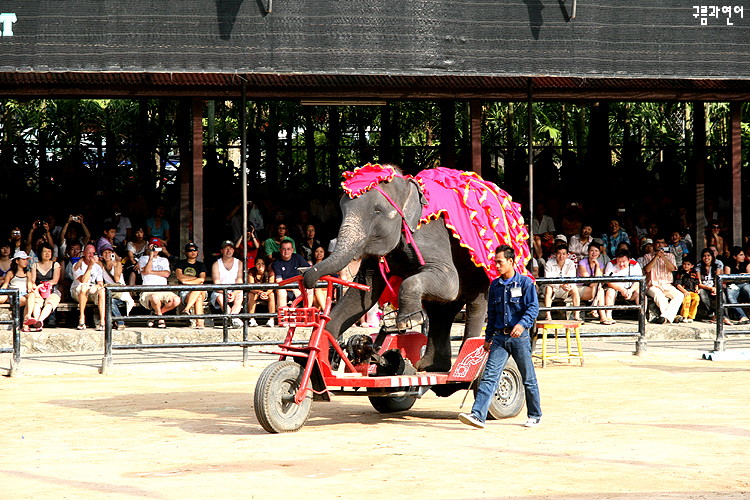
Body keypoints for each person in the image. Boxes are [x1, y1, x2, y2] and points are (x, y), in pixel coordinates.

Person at [458, 244, 541, 429]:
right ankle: (478, 415)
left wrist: (522, 324)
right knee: (489, 376)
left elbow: (533, 308)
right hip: (499, 339)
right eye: (495, 262)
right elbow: (492, 313)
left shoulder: (526, 283)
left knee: (528, 377)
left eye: (500, 262)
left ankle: (535, 414)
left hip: (519, 338)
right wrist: (488, 338)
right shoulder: (495, 285)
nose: (496, 266)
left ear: (511, 261)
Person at [138, 238, 180, 328]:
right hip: (148, 290)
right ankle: (160, 319)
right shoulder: (143, 259)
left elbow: (166, 274)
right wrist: (151, 256)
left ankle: (156, 314)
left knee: (176, 300)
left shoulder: (164, 260)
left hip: (163, 289)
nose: (155, 248)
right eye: (153, 246)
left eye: (157, 247)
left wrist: (151, 272)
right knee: (155, 297)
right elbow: (146, 271)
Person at [641, 237, 684, 324]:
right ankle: (672, 317)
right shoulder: (647, 256)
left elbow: (672, 268)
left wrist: (663, 257)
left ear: (665, 245)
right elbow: (647, 270)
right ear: (653, 245)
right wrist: (656, 257)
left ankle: (665, 317)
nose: (660, 244)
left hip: (667, 285)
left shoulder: (670, 256)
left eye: (662, 242)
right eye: (657, 242)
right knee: (659, 296)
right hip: (652, 285)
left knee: (679, 295)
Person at [70, 244, 106, 331]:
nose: (91, 255)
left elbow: (100, 283)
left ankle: (102, 322)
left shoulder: (97, 267)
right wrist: (90, 266)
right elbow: (83, 281)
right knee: (84, 287)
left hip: (91, 291)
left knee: (102, 291)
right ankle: (82, 318)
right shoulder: (77, 265)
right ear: (84, 253)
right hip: (77, 291)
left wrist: (96, 286)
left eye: (93, 253)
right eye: (89, 253)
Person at [602, 248, 642, 325]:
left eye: (624, 262)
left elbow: (638, 281)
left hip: (630, 288)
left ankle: (642, 316)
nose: (621, 264)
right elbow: (608, 281)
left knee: (640, 291)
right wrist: (621, 289)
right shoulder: (611, 264)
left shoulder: (635, 264)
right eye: (619, 261)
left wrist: (630, 290)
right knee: (610, 291)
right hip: (616, 287)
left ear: (629, 260)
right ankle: (608, 316)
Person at [98, 244, 134, 330]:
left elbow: (117, 279)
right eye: (105, 253)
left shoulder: (118, 264)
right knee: (106, 299)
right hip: (109, 291)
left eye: (109, 252)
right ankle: (114, 322)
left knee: (110, 301)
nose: (107, 255)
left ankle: (120, 322)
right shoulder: (101, 264)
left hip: (119, 292)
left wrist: (114, 267)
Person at [210, 240, 244, 329]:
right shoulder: (216, 264)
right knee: (220, 298)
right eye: (226, 248)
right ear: (221, 251)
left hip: (235, 289)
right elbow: (216, 284)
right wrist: (226, 293)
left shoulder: (239, 263)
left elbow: (240, 281)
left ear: (233, 250)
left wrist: (234, 293)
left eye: (231, 248)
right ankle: (233, 318)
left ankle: (233, 317)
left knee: (239, 296)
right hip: (220, 291)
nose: (228, 251)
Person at [543, 244, 581, 321]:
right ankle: (548, 316)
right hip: (553, 288)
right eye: (559, 253)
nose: (561, 256)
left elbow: (572, 278)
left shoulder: (570, 263)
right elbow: (548, 279)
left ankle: (576, 316)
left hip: (566, 288)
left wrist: (569, 285)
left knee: (575, 289)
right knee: (548, 289)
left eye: (564, 254)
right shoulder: (549, 263)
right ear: (555, 254)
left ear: (567, 255)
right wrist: (560, 285)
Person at [1, 251, 37, 330]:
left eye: (26, 260)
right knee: (26, 300)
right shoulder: (11, 273)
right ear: (17, 261)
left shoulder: (28, 273)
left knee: (31, 295)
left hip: (24, 293)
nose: (26, 261)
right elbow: (5, 285)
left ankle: (28, 316)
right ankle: (25, 323)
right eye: (23, 259)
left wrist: (31, 289)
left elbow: (29, 286)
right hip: (14, 295)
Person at [174, 242, 207, 329]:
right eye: (190, 250)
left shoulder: (201, 265)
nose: (193, 252)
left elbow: (202, 279)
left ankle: (186, 309)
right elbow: (180, 277)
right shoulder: (180, 263)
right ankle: (199, 323)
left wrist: (187, 282)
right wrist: (195, 279)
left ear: (197, 252)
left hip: (198, 289)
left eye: (194, 250)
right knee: (198, 296)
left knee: (199, 287)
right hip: (186, 291)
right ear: (185, 252)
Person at [29, 243, 61, 328]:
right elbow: (33, 280)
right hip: (39, 291)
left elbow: (55, 280)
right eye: (44, 252)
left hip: (52, 290)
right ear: (40, 253)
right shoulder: (35, 265)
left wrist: (43, 285)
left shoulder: (55, 264)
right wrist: (36, 288)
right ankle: (36, 320)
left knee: (50, 303)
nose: (47, 254)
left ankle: (40, 321)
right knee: (36, 303)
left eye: (49, 251)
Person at [577, 241, 607, 323]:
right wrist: (596, 283)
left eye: (596, 251)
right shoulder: (582, 262)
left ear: (599, 253)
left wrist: (597, 266)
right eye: (592, 251)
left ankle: (595, 308)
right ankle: (602, 316)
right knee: (599, 289)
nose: (594, 253)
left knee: (599, 289)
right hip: (581, 287)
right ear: (588, 252)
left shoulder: (600, 264)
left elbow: (598, 279)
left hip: (594, 289)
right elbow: (587, 279)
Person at [722, 246, 750, 324]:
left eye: (743, 254)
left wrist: (742, 275)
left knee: (749, 291)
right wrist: (739, 277)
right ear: (734, 256)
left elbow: (749, 275)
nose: (743, 257)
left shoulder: (746, 263)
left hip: (744, 284)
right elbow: (727, 278)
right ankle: (743, 316)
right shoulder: (728, 264)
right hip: (733, 285)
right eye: (741, 255)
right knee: (731, 297)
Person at [696, 247, 725, 322]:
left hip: (715, 286)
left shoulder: (717, 264)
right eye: (704, 256)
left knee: (722, 296)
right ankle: (711, 314)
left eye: (708, 255)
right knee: (702, 295)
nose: (706, 258)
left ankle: (723, 316)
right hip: (704, 287)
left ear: (712, 256)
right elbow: (699, 283)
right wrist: (709, 288)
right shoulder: (699, 266)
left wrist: (715, 288)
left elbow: (718, 279)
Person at [247, 255, 276, 327]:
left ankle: (271, 320)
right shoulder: (252, 271)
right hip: (256, 292)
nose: (260, 266)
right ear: (255, 265)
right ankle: (252, 319)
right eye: (258, 264)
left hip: (267, 293)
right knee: (250, 295)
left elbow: (271, 287)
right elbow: (251, 287)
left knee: (272, 295)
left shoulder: (270, 272)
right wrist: (259, 292)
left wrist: (266, 293)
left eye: (262, 263)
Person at [674, 256, 700, 323]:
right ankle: (684, 316)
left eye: (688, 264)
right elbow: (678, 284)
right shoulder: (680, 273)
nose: (686, 266)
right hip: (684, 291)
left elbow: (696, 283)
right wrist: (684, 291)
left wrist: (697, 289)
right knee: (687, 300)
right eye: (684, 264)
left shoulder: (694, 273)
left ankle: (691, 316)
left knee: (696, 299)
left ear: (692, 266)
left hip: (692, 291)